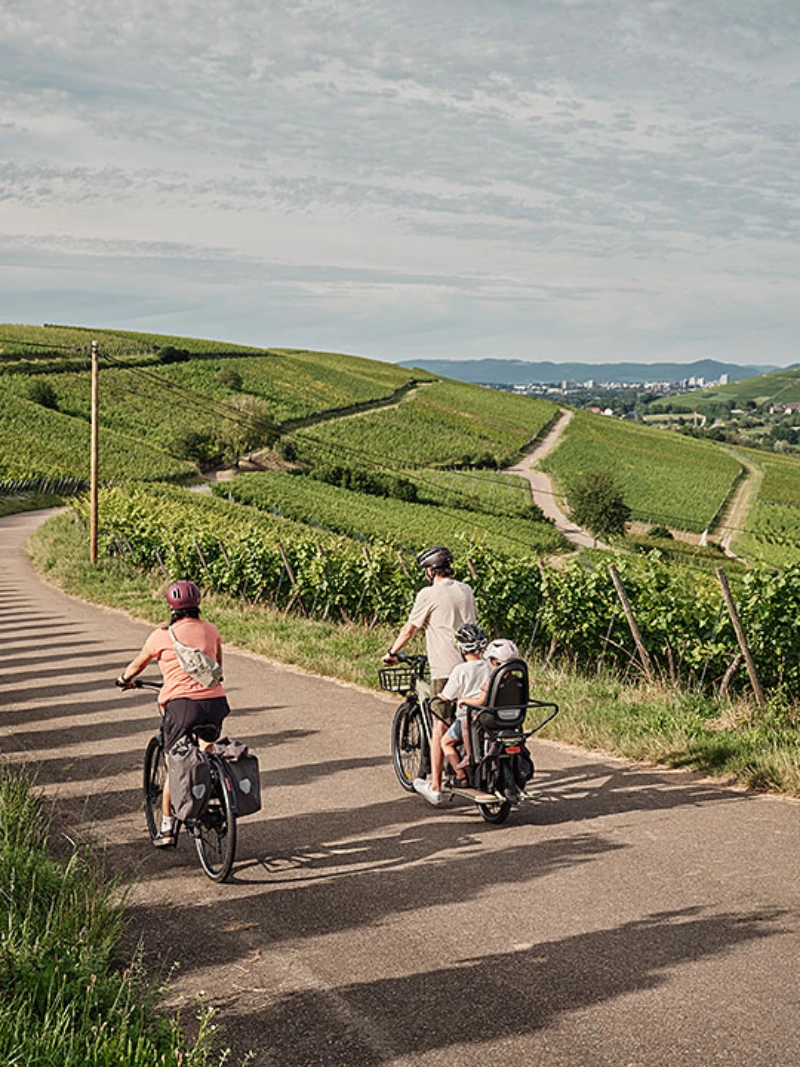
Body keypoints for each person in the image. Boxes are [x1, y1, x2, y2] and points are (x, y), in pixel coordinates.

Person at [117, 579, 230, 847]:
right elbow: (218, 668)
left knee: (175, 763)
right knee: (207, 750)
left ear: (171, 606)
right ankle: (215, 797)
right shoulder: (211, 630)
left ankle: (167, 828)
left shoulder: (162, 636)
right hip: (215, 703)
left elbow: (137, 666)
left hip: (182, 707)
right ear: (198, 603)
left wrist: (124, 679)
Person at [382, 545, 477, 806]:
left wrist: (392, 653)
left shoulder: (428, 594)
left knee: (440, 725)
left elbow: (409, 629)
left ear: (431, 571)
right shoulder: (466, 590)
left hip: (445, 669)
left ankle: (435, 787)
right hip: (470, 665)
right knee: (468, 720)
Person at [440, 624, 490, 785]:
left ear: (462, 649)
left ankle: (460, 776)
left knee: (445, 742)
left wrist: (440, 696)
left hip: (466, 719)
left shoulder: (460, 670)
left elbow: (447, 695)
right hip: (487, 717)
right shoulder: (490, 666)